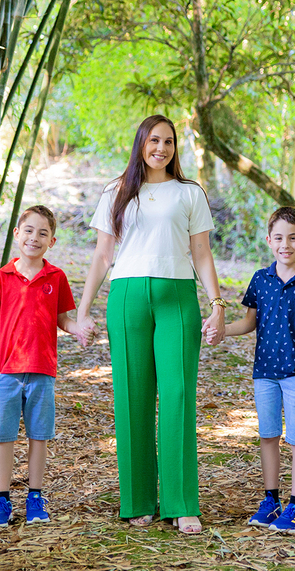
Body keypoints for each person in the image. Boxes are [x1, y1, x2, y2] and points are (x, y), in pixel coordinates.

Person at [74, 114, 227, 535]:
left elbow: (201, 253)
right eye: (155, 140)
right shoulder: (116, 191)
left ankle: (180, 501)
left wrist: (217, 304)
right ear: (141, 142)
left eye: (169, 142)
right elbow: (103, 255)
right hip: (126, 299)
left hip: (177, 297)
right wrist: (84, 310)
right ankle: (137, 498)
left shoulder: (189, 193)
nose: (162, 148)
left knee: (178, 394)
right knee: (132, 396)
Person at [206, 206, 295, 533]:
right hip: (264, 373)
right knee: (268, 436)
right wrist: (222, 331)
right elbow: (250, 321)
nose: (285, 244)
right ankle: (270, 500)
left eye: (292, 238)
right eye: (278, 238)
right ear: (268, 240)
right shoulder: (260, 279)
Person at [0, 205, 80, 528]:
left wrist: (78, 329)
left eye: (43, 233)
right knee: (4, 436)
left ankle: (35, 496)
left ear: (51, 241)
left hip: (42, 371)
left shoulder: (56, 277)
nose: (34, 238)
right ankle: (2, 499)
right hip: (7, 373)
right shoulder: (2, 277)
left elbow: (62, 318)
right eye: (29, 230)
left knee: (39, 436)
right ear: (16, 234)